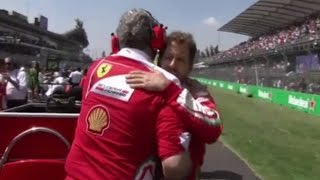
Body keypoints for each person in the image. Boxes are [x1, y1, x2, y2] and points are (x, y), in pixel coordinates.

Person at [65, 9, 192, 180]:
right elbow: (173, 166)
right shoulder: (167, 83)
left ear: (115, 41)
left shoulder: (94, 69)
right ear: (157, 38)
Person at [126, 31, 223, 179]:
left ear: (190, 67)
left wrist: (170, 90)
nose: (172, 64)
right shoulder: (141, 81)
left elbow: (214, 127)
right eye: (168, 57)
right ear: (159, 60)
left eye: (180, 60)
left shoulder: (196, 90)